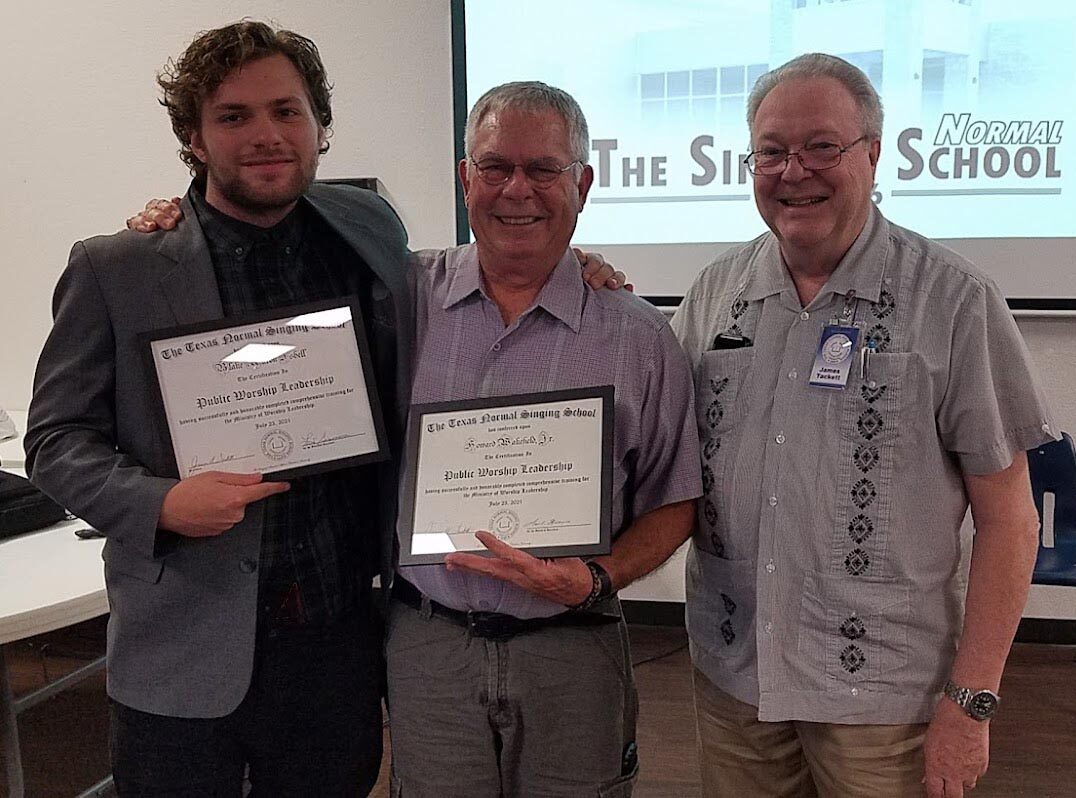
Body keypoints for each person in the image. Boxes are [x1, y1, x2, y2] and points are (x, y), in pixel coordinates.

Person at [25, 22, 411, 795]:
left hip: (336, 637)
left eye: (286, 111)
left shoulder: (368, 228)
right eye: (233, 117)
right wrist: (160, 501)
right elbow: (56, 438)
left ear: (320, 125)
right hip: (183, 641)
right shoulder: (116, 267)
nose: (266, 136)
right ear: (193, 138)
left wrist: (578, 261)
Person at [670, 53, 1056, 798]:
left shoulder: (955, 302)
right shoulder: (715, 295)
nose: (795, 171)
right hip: (735, 685)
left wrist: (971, 704)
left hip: (885, 706)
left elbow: (1009, 523)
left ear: (873, 154)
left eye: (822, 146)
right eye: (772, 151)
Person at [384, 82, 701, 797]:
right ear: (466, 179)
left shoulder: (637, 333)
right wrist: (170, 223)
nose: (516, 190)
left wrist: (598, 577)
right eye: (495, 167)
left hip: (573, 645)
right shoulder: (401, 301)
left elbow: (676, 499)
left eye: (544, 170)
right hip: (431, 645)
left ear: (582, 184)